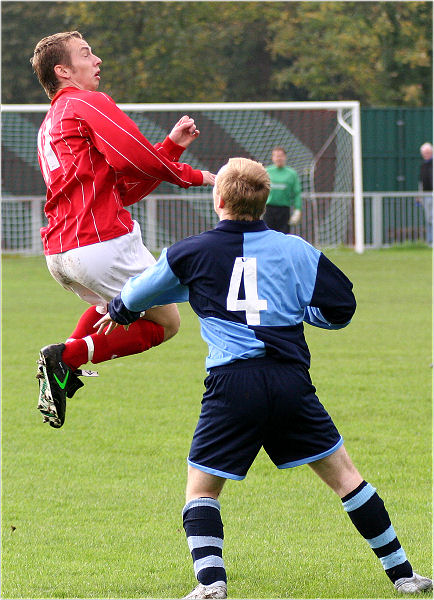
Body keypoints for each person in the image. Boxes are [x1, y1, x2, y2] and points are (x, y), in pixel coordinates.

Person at [95, 157, 432, 599]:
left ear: (218, 199)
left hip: (232, 385)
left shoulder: (189, 253)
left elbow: (136, 295)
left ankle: (211, 584)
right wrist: (300, 311)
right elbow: (341, 308)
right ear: (265, 201)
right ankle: (405, 575)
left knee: (201, 490)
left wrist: (118, 310)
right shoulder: (298, 250)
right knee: (347, 478)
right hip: (291, 382)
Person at [30, 31, 215, 428]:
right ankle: (66, 358)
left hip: (62, 254)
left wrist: (169, 150)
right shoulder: (85, 101)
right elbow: (133, 157)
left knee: (110, 309)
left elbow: (120, 191)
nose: (97, 60)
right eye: (86, 54)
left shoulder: (50, 124)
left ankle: (64, 364)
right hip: (101, 245)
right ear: (63, 71)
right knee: (166, 323)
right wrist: (196, 175)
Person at [263, 146, 302, 233]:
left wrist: (298, 209)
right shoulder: (267, 171)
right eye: (276, 156)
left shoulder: (292, 174)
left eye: (280, 156)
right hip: (269, 209)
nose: (278, 158)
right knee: (268, 234)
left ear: (285, 157)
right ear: (272, 158)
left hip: (284, 210)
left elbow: (297, 193)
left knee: (283, 235)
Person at [418, 142, 433, 245]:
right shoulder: (423, 166)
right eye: (424, 153)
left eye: (428, 152)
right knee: (428, 218)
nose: (426, 154)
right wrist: (419, 195)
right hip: (426, 195)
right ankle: (429, 240)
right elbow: (421, 181)